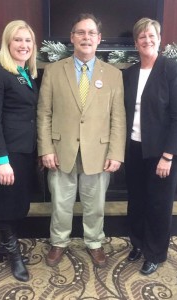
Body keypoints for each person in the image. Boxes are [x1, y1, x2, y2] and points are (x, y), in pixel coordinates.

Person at [37, 13, 125, 268]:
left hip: (98, 151)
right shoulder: (53, 71)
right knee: (60, 202)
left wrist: (116, 152)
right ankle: (59, 242)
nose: (86, 37)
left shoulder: (113, 74)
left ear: (99, 39)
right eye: (81, 33)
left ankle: (94, 242)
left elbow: (117, 116)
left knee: (95, 204)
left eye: (91, 33)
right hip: (61, 149)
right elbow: (44, 112)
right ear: (72, 38)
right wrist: (46, 148)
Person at [123, 18, 177, 275]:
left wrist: (168, 155)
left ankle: (155, 253)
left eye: (151, 35)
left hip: (164, 152)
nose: (147, 40)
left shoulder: (171, 70)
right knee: (137, 200)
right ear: (135, 42)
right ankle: (138, 244)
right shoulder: (128, 73)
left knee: (159, 204)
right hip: (135, 148)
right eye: (142, 37)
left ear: (159, 39)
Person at [0, 20, 38, 282]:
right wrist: (2, 161)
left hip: (24, 150)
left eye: (28, 40)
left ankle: (3, 245)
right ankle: (13, 253)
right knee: (5, 202)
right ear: (7, 42)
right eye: (18, 40)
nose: (23, 45)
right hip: (5, 152)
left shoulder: (26, 73)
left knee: (17, 201)